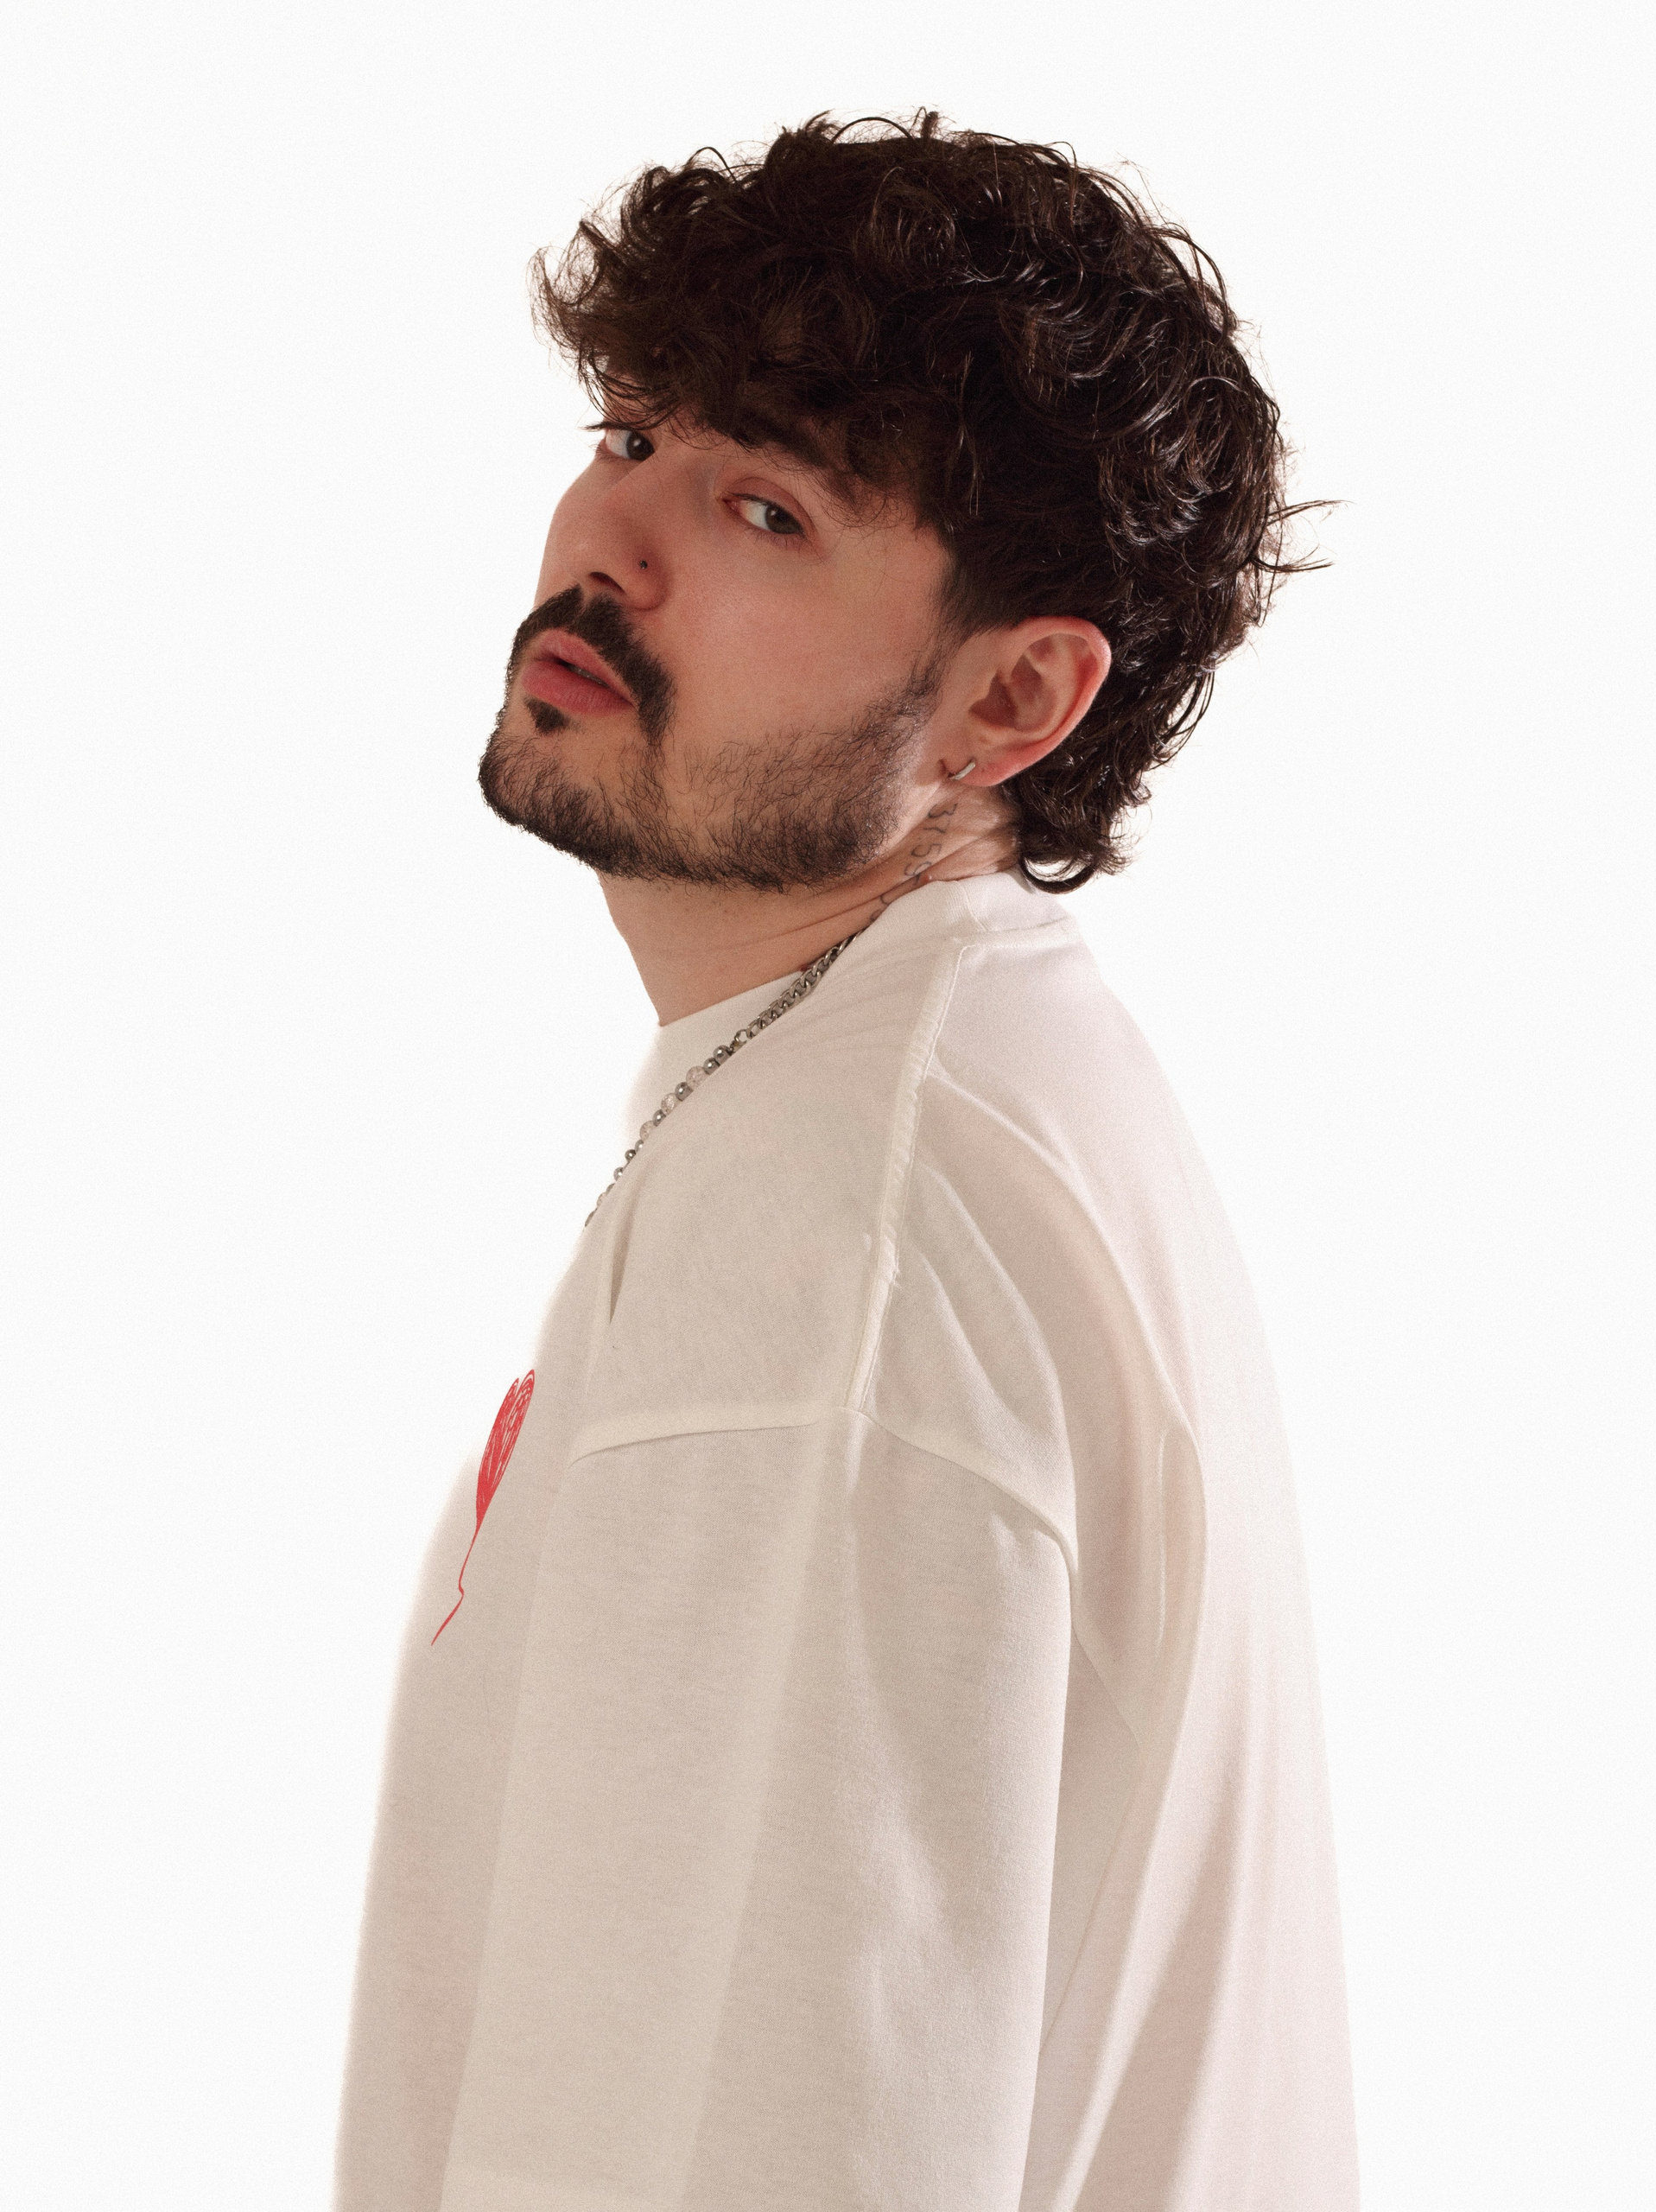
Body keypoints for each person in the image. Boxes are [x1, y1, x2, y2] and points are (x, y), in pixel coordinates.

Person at [334, 111, 1360, 2212]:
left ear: (1012, 698)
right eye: (633, 433)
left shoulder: (846, 1229)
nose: (613, 541)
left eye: (767, 507)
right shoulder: (950, 1093)